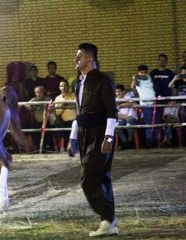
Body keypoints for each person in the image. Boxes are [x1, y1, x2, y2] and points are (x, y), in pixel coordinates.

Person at [67, 43, 118, 237]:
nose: (76, 59)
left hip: (100, 133)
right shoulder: (79, 82)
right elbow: (79, 112)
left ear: (89, 58)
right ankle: (109, 221)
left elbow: (112, 111)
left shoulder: (103, 80)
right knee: (101, 177)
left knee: (88, 178)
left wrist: (108, 137)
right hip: (83, 134)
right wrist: (73, 138)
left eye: (79, 55)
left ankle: (108, 218)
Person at [131, 65, 158, 148]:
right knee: (148, 123)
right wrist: (135, 78)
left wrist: (137, 76)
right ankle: (149, 142)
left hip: (153, 103)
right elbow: (134, 85)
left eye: (144, 72)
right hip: (146, 105)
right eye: (141, 72)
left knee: (155, 123)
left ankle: (154, 141)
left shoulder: (148, 77)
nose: (143, 74)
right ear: (138, 72)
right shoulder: (138, 80)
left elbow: (144, 77)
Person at [54, 80, 76, 152]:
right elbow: (57, 113)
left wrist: (65, 105)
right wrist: (64, 106)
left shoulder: (74, 95)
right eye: (61, 86)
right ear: (59, 88)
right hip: (64, 121)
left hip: (74, 120)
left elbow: (76, 106)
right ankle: (63, 148)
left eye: (64, 85)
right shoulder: (58, 98)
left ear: (68, 87)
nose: (63, 88)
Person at [115, 84, 138, 150]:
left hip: (132, 118)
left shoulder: (127, 96)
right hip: (122, 118)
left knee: (129, 125)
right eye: (116, 92)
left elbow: (135, 104)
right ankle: (124, 142)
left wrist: (122, 104)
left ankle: (130, 142)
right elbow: (116, 114)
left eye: (119, 91)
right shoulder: (114, 100)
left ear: (123, 92)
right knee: (116, 127)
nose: (117, 93)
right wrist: (126, 117)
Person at [168, 66, 186, 143]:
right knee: (183, 123)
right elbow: (169, 85)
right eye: (183, 73)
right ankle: (185, 140)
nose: (184, 74)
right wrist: (175, 78)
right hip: (182, 105)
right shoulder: (179, 82)